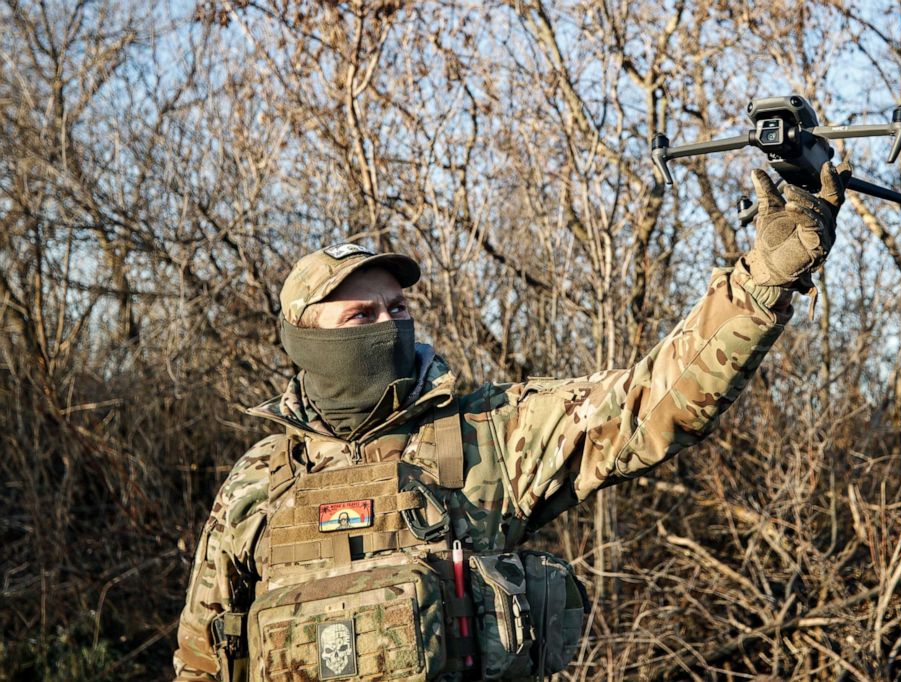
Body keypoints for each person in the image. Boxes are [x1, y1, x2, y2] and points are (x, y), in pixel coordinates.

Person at [174, 164, 847, 681]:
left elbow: (651, 403)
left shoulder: (489, 434)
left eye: (397, 309)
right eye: (362, 316)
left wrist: (761, 282)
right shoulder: (260, 482)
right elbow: (204, 657)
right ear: (304, 339)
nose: (390, 325)